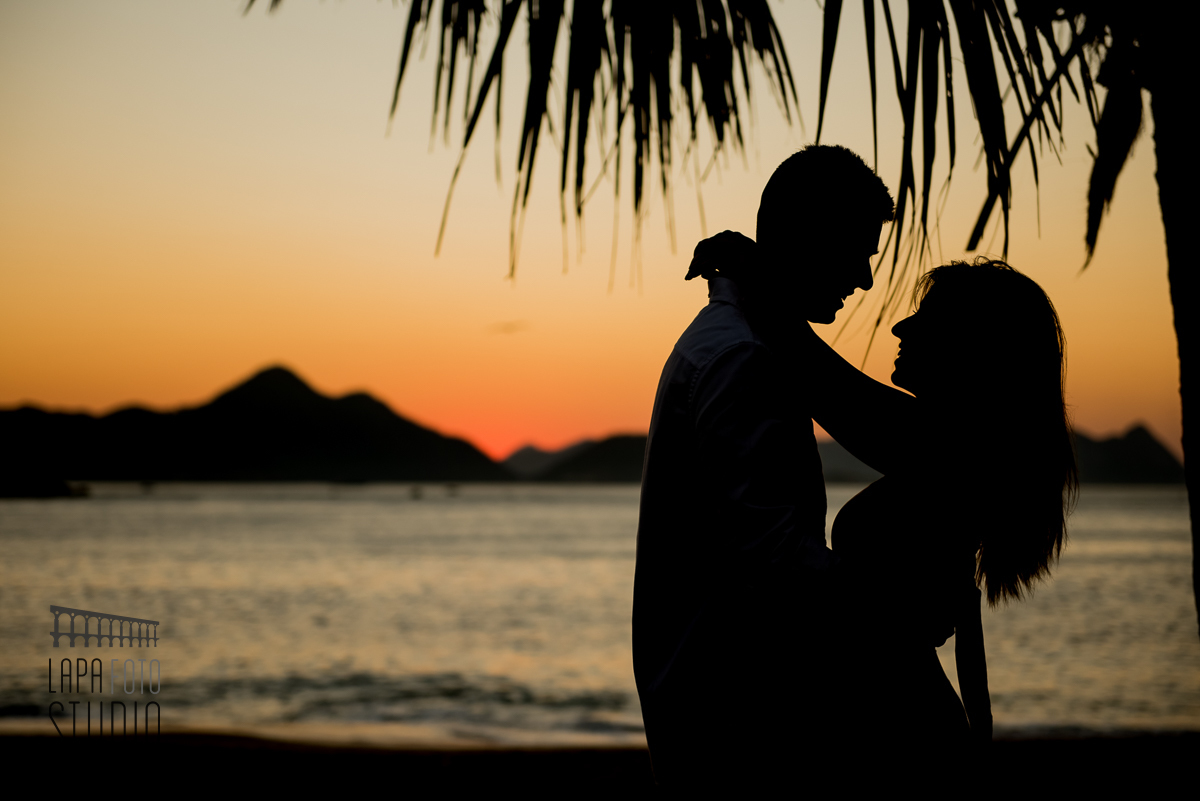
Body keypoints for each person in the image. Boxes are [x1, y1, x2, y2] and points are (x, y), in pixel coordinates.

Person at [631, 144, 894, 790]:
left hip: (720, 707)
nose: (863, 278)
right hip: (736, 722)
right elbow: (775, 557)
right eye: (857, 250)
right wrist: (892, 608)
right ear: (809, 237)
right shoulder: (743, 357)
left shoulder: (735, 342)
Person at [797, 256, 1077, 784]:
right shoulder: (967, 450)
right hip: (904, 726)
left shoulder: (956, 449)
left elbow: (816, 375)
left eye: (924, 317)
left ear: (971, 346)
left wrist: (753, 287)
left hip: (901, 736)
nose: (902, 327)